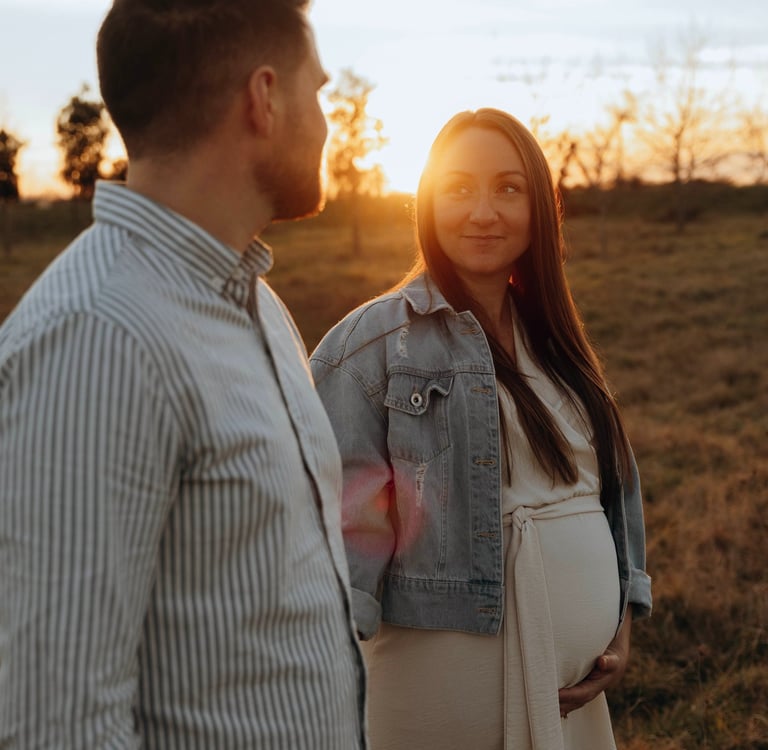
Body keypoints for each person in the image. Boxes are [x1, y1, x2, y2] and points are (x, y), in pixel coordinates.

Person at [0, 1, 366, 747]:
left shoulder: (255, 302)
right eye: (319, 91)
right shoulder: (99, 338)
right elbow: (55, 722)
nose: (328, 123)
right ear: (264, 98)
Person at [310, 108, 652, 750]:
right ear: (427, 201)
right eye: (459, 188)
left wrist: (620, 623)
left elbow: (613, 488)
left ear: (540, 205)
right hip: (441, 691)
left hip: (574, 700)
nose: (483, 212)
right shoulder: (369, 346)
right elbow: (333, 525)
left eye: (508, 188)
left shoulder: (557, 341)